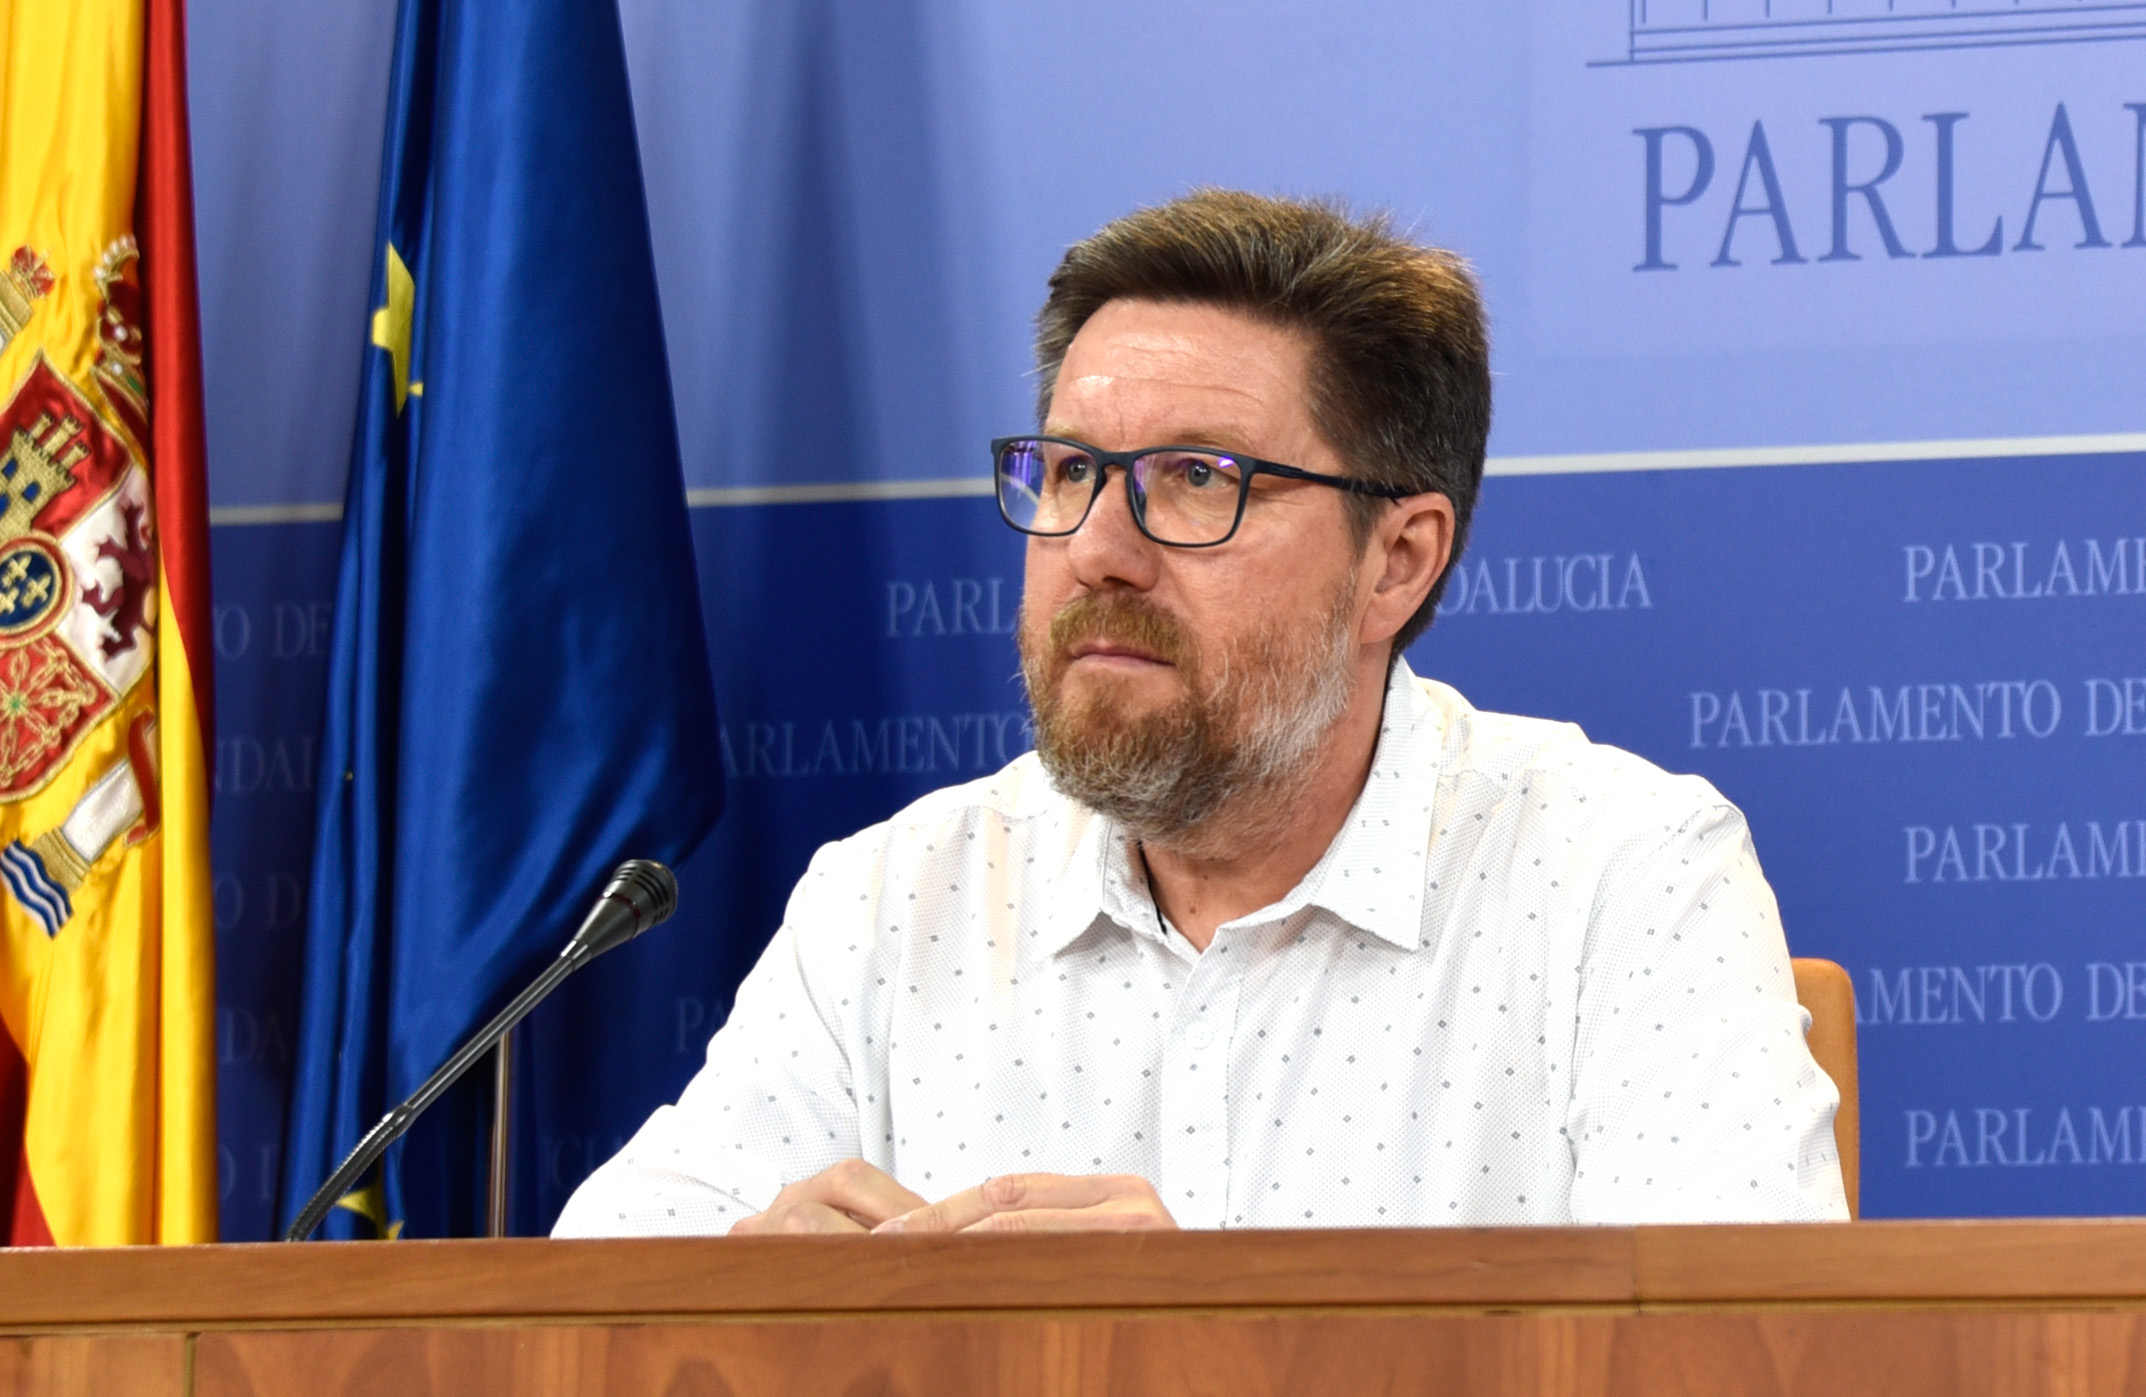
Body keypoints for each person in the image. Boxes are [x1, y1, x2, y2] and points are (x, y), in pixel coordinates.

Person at [553, 190, 1848, 1237]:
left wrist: (1207, 1346)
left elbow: (1741, 1356)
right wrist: (741, 1299)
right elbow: (598, 1293)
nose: (1096, 549)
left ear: (1396, 562)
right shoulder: (896, 899)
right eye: (1069, 470)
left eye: (1196, 479)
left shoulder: (1620, 876)